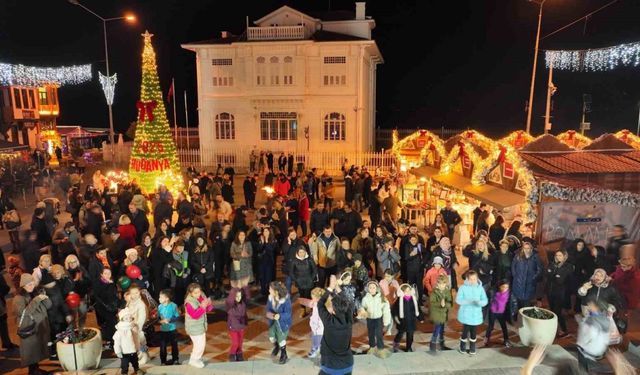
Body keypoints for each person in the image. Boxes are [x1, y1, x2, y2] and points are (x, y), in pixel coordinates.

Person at [14, 274, 52, 375]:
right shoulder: (18, 298)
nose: (31, 286)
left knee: (36, 350)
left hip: (38, 327)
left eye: (32, 284)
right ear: (23, 286)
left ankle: (35, 369)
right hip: (29, 328)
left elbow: (48, 306)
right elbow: (23, 313)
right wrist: (36, 300)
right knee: (31, 351)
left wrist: (45, 297)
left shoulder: (34, 293)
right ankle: (33, 371)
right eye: (28, 284)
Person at [318, 275, 354, 375]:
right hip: (347, 365)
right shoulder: (349, 320)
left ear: (333, 311)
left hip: (330, 366)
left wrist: (331, 287)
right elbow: (349, 303)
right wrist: (337, 287)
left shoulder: (329, 321)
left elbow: (320, 304)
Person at [456, 270, 488, 356]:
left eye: (474, 279)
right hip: (466, 314)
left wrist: (479, 303)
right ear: (467, 279)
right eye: (471, 279)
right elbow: (458, 299)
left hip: (475, 314)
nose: (473, 281)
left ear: (477, 279)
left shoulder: (480, 288)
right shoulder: (463, 288)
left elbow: (485, 300)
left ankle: (472, 347)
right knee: (465, 331)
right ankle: (462, 346)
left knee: (474, 331)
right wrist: (467, 301)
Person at [358, 280, 392, 358]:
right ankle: (372, 347)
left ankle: (380, 349)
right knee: (371, 333)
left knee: (379, 334)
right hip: (370, 319)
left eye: (374, 288)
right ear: (368, 289)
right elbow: (362, 307)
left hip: (378, 319)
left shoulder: (382, 298)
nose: (372, 289)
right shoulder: (365, 299)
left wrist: (386, 320)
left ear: (377, 288)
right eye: (370, 288)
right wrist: (362, 311)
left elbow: (386, 309)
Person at [576, 300, 610, 373]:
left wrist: (580, 321)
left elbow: (589, 335)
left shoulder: (592, 320)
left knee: (584, 369)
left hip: (586, 352)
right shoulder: (605, 319)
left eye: (591, 305)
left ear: (597, 307)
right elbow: (606, 339)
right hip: (598, 352)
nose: (588, 306)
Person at [185, 283, 213, 368]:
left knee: (201, 344)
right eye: (195, 293)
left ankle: (196, 358)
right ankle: (194, 360)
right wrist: (203, 307)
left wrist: (209, 305)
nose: (198, 294)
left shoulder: (201, 296)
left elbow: (207, 309)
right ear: (190, 293)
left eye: (199, 292)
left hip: (200, 326)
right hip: (194, 328)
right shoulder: (189, 302)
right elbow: (195, 315)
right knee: (199, 345)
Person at [545, 250, 572, 337]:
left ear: (564, 256)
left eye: (560, 255)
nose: (558, 257)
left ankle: (564, 330)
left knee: (558, 312)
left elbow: (560, 280)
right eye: (556, 255)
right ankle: (554, 328)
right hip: (550, 291)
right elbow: (546, 274)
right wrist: (555, 275)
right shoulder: (552, 264)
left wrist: (553, 274)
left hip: (560, 293)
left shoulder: (568, 266)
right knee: (552, 311)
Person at [484, 279, 517, 347]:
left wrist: (513, 312)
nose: (505, 289)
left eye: (506, 287)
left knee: (504, 327)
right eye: (503, 287)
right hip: (493, 312)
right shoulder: (493, 292)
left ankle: (506, 340)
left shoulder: (509, 294)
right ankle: (486, 338)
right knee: (490, 326)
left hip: (501, 313)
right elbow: (487, 300)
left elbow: (514, 303)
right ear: (499, 286)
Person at [266, 281, 292, 365]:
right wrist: (269, 314)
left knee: (281, 339)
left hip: (283, 324)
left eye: (270, 289)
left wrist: (280, 316)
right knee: (271, 337)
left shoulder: (286, 300)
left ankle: (284, 354)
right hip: (274, 322)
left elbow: (288, 314)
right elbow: (268, 309)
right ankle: (277, 346)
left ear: (276, 291)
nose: (269, 290)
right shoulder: (270, 298)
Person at [511, 241, 542, 309]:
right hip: (518, 283)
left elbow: (539, 269)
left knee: (526, 304)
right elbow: (513, 266)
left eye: (528, 248)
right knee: (518, 303)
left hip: (529, 284)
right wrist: (515, 276)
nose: (526, 250)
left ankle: (524, 317)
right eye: (525, 248)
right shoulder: (518, 256)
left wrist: (533, 278)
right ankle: (518, 317)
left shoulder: (535, 257)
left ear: (531, 249)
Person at [113, 307, 144, 375]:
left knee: (135, 361)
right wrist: (118, 351)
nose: (128, 319)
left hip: (133, 350)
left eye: (130, 317)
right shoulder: (120, 330)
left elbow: (136, 338)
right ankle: (124, 372)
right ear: (122, 319)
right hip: (124, 351)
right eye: (126, 318)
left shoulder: (133, 327)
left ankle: (137, 369)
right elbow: (117, 342)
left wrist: (138, 347)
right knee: (124, 364)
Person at [289, 246, 317, 317]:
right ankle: (303, 309)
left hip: (309, 281)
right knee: (302, 296)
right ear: (298, 253)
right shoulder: (294, 261)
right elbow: (291, 272)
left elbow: (314, 270)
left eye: (303, 252)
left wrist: (311, 278)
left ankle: (312, 308)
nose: (302, 254)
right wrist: (296, 279)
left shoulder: (309, 260)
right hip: (300, 282)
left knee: (309, 295)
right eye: (300, 252)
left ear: (305, 252)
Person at [297, 287, 325, 358]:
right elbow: (306, 302)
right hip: (315, 326)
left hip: (320, 327)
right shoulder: (315, 303)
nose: (312, 299)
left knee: (319, 340)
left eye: (313, 297)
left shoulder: (322, 306)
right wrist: (299, 299)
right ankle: (315, 349)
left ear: (318, 298)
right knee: (314, 338)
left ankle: (320, 351)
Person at [125, 285, 150, 365]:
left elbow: (142, 317)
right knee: (134, 342)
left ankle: (144, 356)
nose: (135, 295)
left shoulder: (141, 304)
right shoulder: (130, 302)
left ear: (139, 292)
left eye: (136, 293)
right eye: (132, 293)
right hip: (130, 325)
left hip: (137, 326)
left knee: (140, 340)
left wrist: (138, 326)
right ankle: (139, 355)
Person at [391, 284, 419, 353]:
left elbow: (417, 308)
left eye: (409, 291)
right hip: (402, 321)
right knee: (400, 333)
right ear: (402, 292)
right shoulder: (399, 300)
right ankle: (396, 343)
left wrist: (420, 317)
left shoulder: (413, 299)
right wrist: (395, 317)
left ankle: (408, 347)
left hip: (411, 320)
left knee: (410, 335)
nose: (408, 292)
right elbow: (394, 309)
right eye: (406, 291)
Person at [429, 274, 452, 352]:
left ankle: (442, 343)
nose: (442, 285)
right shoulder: (434, 292)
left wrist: (445, 304)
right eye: (440, 283)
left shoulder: (447, 292)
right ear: (437, 284)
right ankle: (433, 343)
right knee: (437, 328)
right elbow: (432, 303)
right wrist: (440, 304)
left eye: (443, 283)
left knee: (442, 329)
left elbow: (450, 303)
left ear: (446, 284)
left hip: (444, 314)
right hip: (437, 314)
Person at [157, 289, 180, 365]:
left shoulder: (174, 306)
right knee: (162, 347)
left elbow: (177, 317)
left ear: (167, 298)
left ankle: (175, 359)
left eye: (161, 297)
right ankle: (163, 361)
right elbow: (158, 318)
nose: (159, 299)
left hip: (172, 329)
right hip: (163, 330)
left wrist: (170, 320)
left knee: (174, 345)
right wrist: (159, 321)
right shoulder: (159, 307)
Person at [226, 287, 249, 362]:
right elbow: (229, 300)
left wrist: (245, 287)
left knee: (240, 342)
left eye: (240, 296)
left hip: (241, 326)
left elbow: (244, 314)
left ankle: (239, 353)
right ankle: (232, 354)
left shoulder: (243, 304)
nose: (238, 298)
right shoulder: (230, 305)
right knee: (235, 343)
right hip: (233, 327)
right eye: (236, 296)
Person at [257, 227, 278, 297]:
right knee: (262, 276)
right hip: (261, 261)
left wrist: (266, 241)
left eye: (267, 231)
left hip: (269, 261)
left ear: (270, 232)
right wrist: (262, 243)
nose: (265, 233)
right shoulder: (260, 239)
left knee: (268, 277)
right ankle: (263, 291)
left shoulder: (273, 240)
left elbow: (271, 250)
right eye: (264, 231)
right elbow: (259, 249)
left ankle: (269, 290)